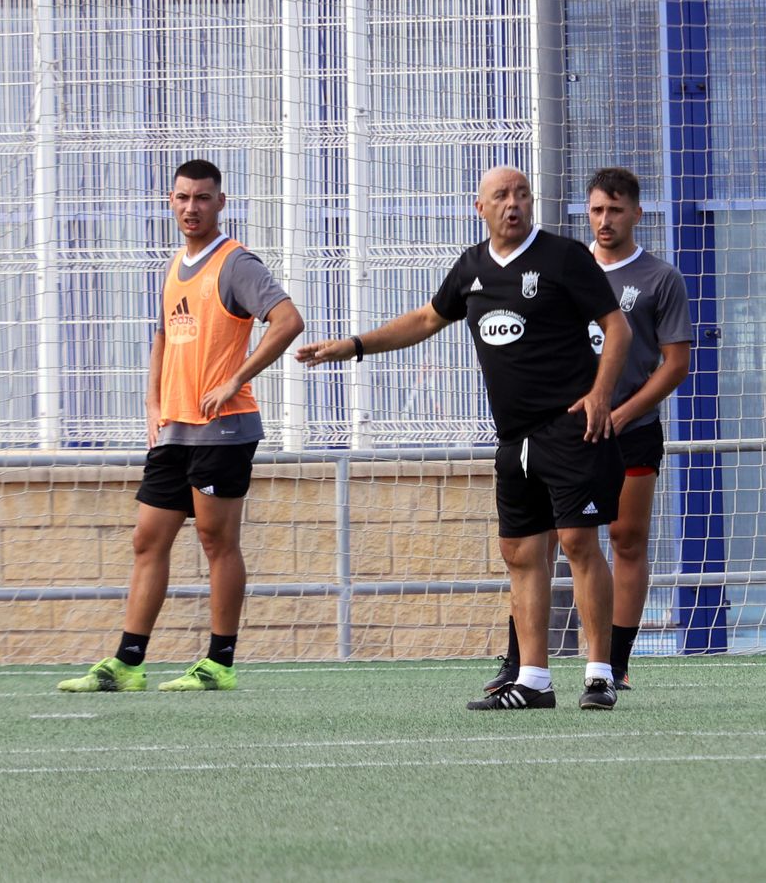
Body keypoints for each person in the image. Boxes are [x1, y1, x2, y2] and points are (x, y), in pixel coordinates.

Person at [299, 165, 633, 710]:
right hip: (514, 437)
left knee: (576, 542)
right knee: (520, 553)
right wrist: (354, 346)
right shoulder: (472, 268)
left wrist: (601, 394)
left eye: (522, 193)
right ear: (480, 207)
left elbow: (616, 326)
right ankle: (533, 680)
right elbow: (428, 319)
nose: (513, 203)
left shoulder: (564, 258)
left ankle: (599, 675)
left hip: (571, 425)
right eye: (501, 195)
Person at [58, 160, 304, 694]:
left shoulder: (236, 263)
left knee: (217, 541)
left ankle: (220, 662)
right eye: (182, 198)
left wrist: (234, 377)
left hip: (224, 428)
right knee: (148, 540)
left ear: (221, 202)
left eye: (203, 198)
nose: (191, 207)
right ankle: (128, 662)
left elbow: (288, 321)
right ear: (171, 202)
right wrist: (152, 402)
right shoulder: (175, 264)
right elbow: (165, 338)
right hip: (174, 430)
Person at [483, 167, 692, 694]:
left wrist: (622, 411)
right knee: (546, 538)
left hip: (632, 427)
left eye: (616, 210)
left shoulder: (658, 279)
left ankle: (615, 662)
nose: (605, 220)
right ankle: (520, 662)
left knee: (624, 538)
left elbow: (673, 364)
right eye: (597, 210)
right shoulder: (566, 267)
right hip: (565, 432)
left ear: (637, 215)